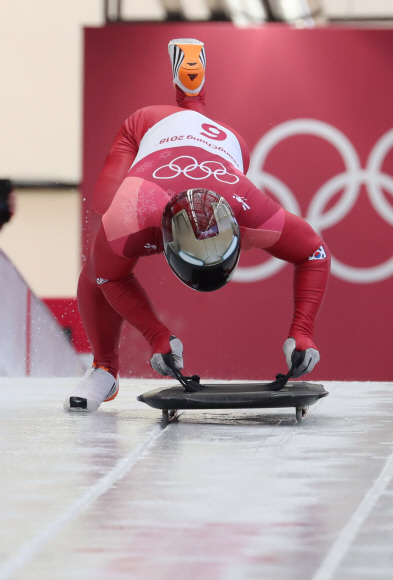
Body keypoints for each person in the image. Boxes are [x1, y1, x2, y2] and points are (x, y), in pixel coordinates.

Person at [64, 38, 330, 411]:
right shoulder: (131, 214)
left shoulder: (252, 209)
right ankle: (104, 369)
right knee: (97, 264)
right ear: (165, 242)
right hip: (148, 130)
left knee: (107, 259)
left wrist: (303, 332)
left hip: (228, 146)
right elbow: (110, 278)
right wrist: (156, 334)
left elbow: (315, 253)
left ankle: (192, 92)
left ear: (239, 232)